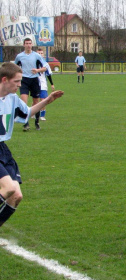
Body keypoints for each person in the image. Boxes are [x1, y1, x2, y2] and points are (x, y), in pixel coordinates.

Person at [0, 62, 64, 227]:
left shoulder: (12, 99)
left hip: (3, 150)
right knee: (8, 188)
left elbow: (26, 113)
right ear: (4, 79)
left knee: (16, 197)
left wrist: (48, 100)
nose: (20, 85)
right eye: (17, 82)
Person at [14, 38, 47, 131]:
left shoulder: (36, 56)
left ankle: (37, 122)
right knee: (24, 102)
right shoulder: (19, 56)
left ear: (32, 45)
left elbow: (44, 68)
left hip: (34, 80)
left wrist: (37, 70)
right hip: (24, 80)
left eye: (30, 43)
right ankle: (26, 123)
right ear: (24, 45)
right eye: (26, 43)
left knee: (36, 102)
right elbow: (15, 67)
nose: (28, 45)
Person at [36, 48, 55, 121]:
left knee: (43, 99)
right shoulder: (33, 62)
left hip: (43, 84)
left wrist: (52, 84)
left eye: (41, 53)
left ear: (43, 55)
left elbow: (49, 75)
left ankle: (42, 115)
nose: (40, 55)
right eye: (38, 53)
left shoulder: (46, 64)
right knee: (36, 99)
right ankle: (34, 113)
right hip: (35, 83)